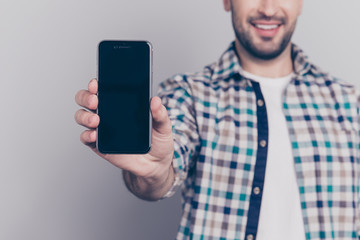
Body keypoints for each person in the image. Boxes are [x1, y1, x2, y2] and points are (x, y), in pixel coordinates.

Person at [75, 0, 360, 239]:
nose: (269, 9)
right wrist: (153, 172)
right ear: (227, 0)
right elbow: (162, 175)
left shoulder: (349, 102)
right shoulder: (188, 94)